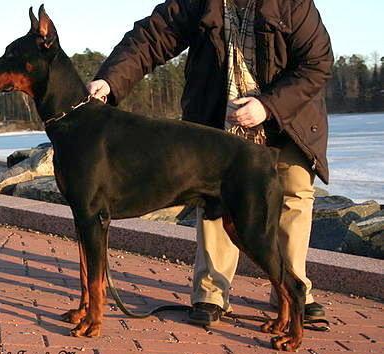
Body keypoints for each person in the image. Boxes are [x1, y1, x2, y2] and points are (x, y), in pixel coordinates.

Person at [87, 0, 333, 325]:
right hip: (220, 115)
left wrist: (267, 107)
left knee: (294, 193)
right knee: (213, 198)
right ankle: (211, 293)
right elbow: (152, 37)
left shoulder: (293, 3)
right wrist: (111, 80)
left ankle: (293, 290)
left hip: (288, 117)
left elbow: (317, 62)